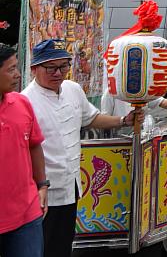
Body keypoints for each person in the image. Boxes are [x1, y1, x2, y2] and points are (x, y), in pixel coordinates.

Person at [22, 39, 142, 257]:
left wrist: (124, 120)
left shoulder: (72, 89)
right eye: (51, 68)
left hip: (72, 183)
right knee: (44, 246)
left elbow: (91, 118)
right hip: (43, 191)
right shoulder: (25, 101)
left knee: (65, 241)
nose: (58, 73)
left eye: (64, 66)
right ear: (34, 69)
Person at [0, 44, 47, 257]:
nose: (18, 75)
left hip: (26, 216)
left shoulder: (21, 103)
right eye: (11, 69)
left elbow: (34, 145)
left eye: (17, 67)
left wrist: (42, 186)